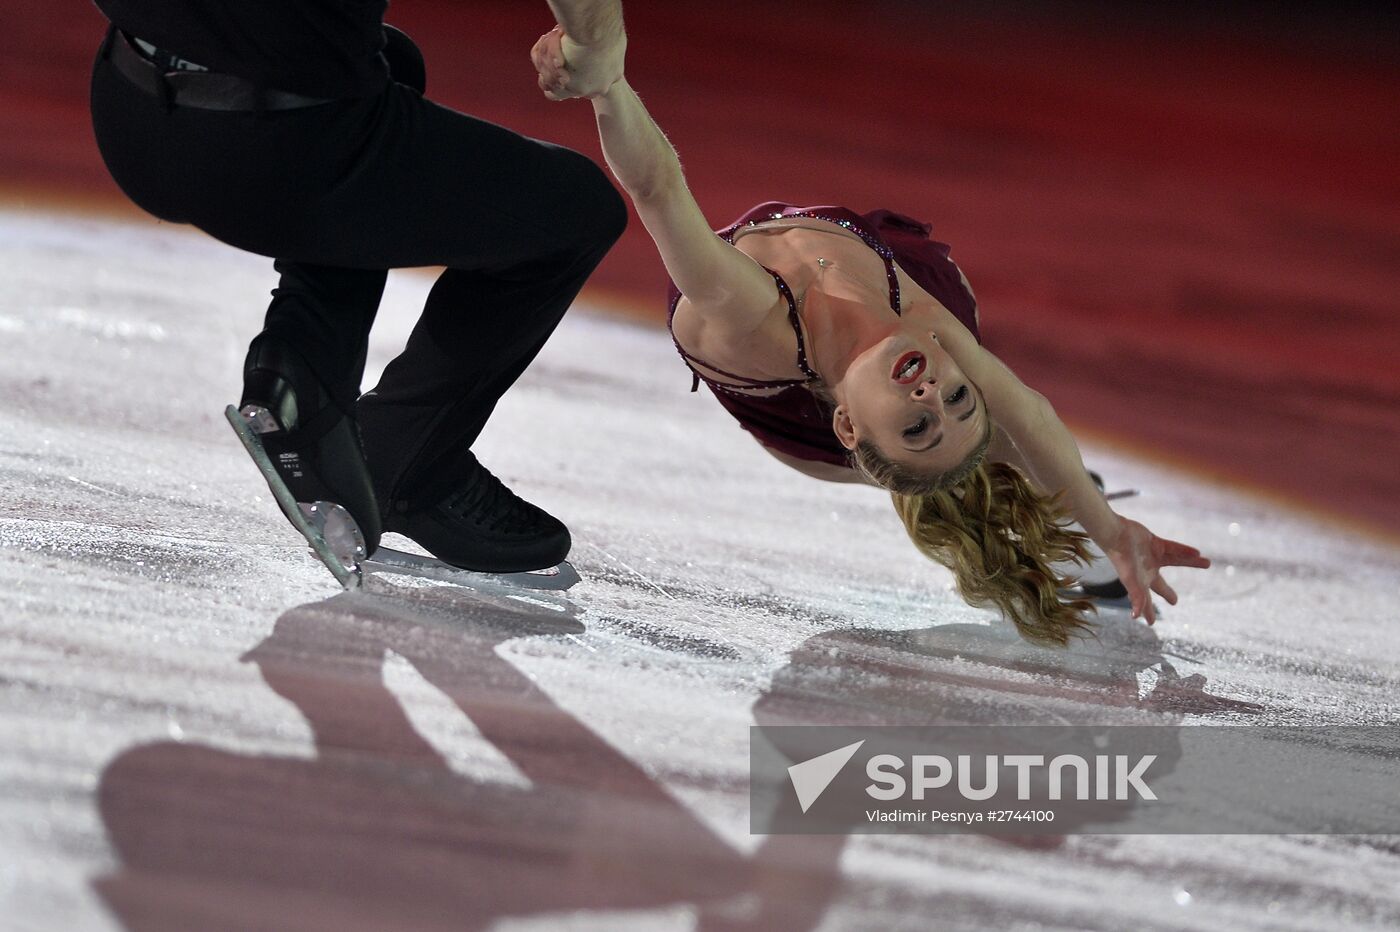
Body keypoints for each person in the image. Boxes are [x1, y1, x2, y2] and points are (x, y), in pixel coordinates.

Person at [530, 26, 1211, 644]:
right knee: (998, 443)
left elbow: (657, 187)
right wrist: (1113, 531)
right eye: (953, 398)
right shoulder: (929, 332)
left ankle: (1011, 522)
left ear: (850, 427)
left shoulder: (748, 314)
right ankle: (1037, 508)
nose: (930, 394)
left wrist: (608, 85)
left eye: (916, 423)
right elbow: (1027, 410)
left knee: (961, 463)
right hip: (883, 323)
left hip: (793, 409)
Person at [88, 1, 629, 576]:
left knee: (390, 60)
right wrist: (596, 41)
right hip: (277, 152)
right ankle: (405, 464)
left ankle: (303, 355)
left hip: (128, 107)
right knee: (578, 215)